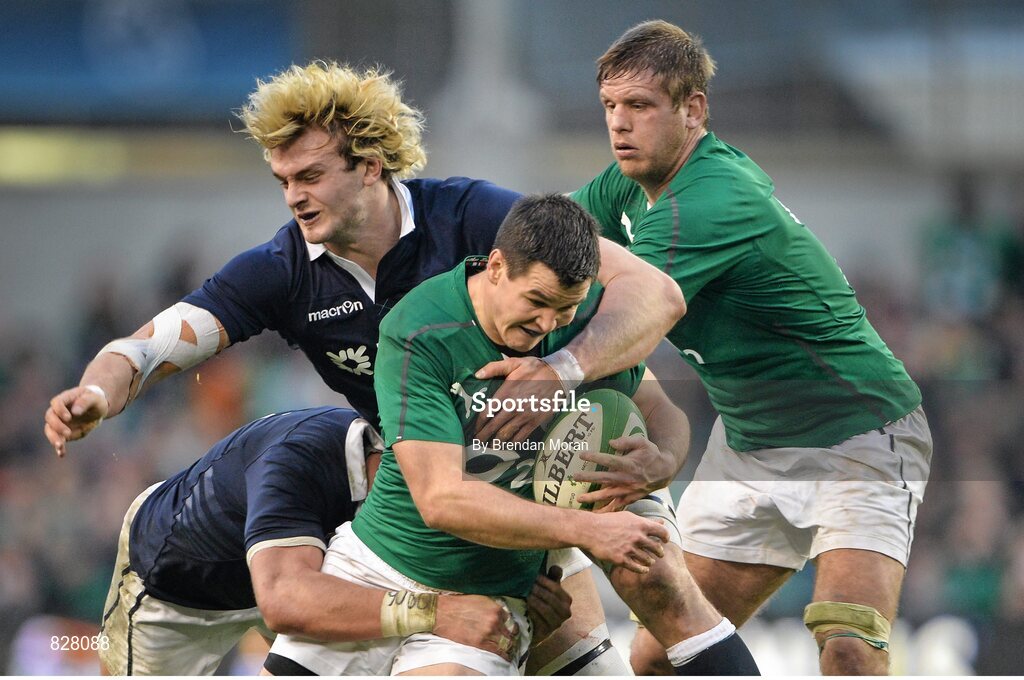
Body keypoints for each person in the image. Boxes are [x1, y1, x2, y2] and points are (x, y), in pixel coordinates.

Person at [42, 61, 684, 675]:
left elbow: (653, 295)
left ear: (372, 165)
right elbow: (148, 348)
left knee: (601, 640)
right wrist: (98, 391)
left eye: (311, 175)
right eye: (283, 180)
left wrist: (567, 370)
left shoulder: (474, 219)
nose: (294, 196)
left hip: (505, 488)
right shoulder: (282, 271)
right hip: (410, 503)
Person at [568, 20, 933, 676]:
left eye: (640, 107)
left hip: (859, 435)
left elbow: (629, 308)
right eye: (610, 107)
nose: (620, 125)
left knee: (848, 645)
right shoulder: (625, 186)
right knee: (661, 654)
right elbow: (547, 235)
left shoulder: (710, 198)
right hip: (751, 446)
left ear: (693, 110)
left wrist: (553, 372)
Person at [266, 194, 759, 676]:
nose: (547, 325)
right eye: (538, 301)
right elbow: (442, 500)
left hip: (487, 603)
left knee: (659, 577)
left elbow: (660, 408)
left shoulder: (581, 332)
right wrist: (590, 531)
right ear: (497, 267)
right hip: (377, 571)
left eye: (565, 309)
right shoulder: (419, 330)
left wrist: (664, 460)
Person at [100, 405, 571, 675]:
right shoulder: (296, 461)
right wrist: (441, 611)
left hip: (302, 576)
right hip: (177, 586)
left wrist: (526, 614)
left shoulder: (404, 485)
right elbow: (285, 601)